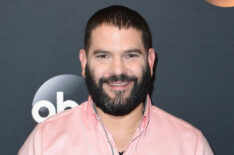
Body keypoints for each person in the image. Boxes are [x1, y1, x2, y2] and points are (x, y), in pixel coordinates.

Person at [19, 5, 214, 155]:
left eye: (131, 55)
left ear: (151, 61)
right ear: (84, 63)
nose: (118, 70)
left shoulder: (190, 145)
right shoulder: (44, 142)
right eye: (104, 56)